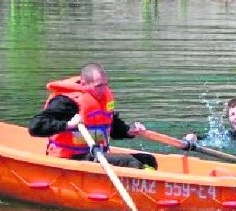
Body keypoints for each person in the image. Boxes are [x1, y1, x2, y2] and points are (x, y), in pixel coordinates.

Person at [28, 63, 157, 170]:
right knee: (131, 163)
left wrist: (130, 131)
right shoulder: (66, 102)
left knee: (148, 159)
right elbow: (35, 126)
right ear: (84, 84)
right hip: (71, 158)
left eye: (105, 84)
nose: (103, 90)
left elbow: (112, 126)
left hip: (95, 154)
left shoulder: (103, 99)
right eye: (99, 86)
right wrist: (68, 125)